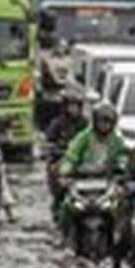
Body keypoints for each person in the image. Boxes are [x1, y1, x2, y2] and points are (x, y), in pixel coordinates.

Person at [57, 102, 130, 236]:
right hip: (83, 179)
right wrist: (65, 171)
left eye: (108, 122)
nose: (104, 126)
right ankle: (63, 234)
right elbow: (71, 156)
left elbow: (123, 156)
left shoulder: (116, 139)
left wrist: (121, 169)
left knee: (121, 205)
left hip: (106, 180)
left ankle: (118, 235)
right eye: (102, 122)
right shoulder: (83, 137)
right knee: (66, 205)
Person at [44, 89, 88, 221]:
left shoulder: (85, 123)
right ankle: (58, 203)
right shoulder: (58, 123)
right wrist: (54, 149)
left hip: (81, 162)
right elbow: (49, 140)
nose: (73, 109)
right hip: (62, 160)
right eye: (71, 106)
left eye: (76, 106)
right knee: (56, 174)